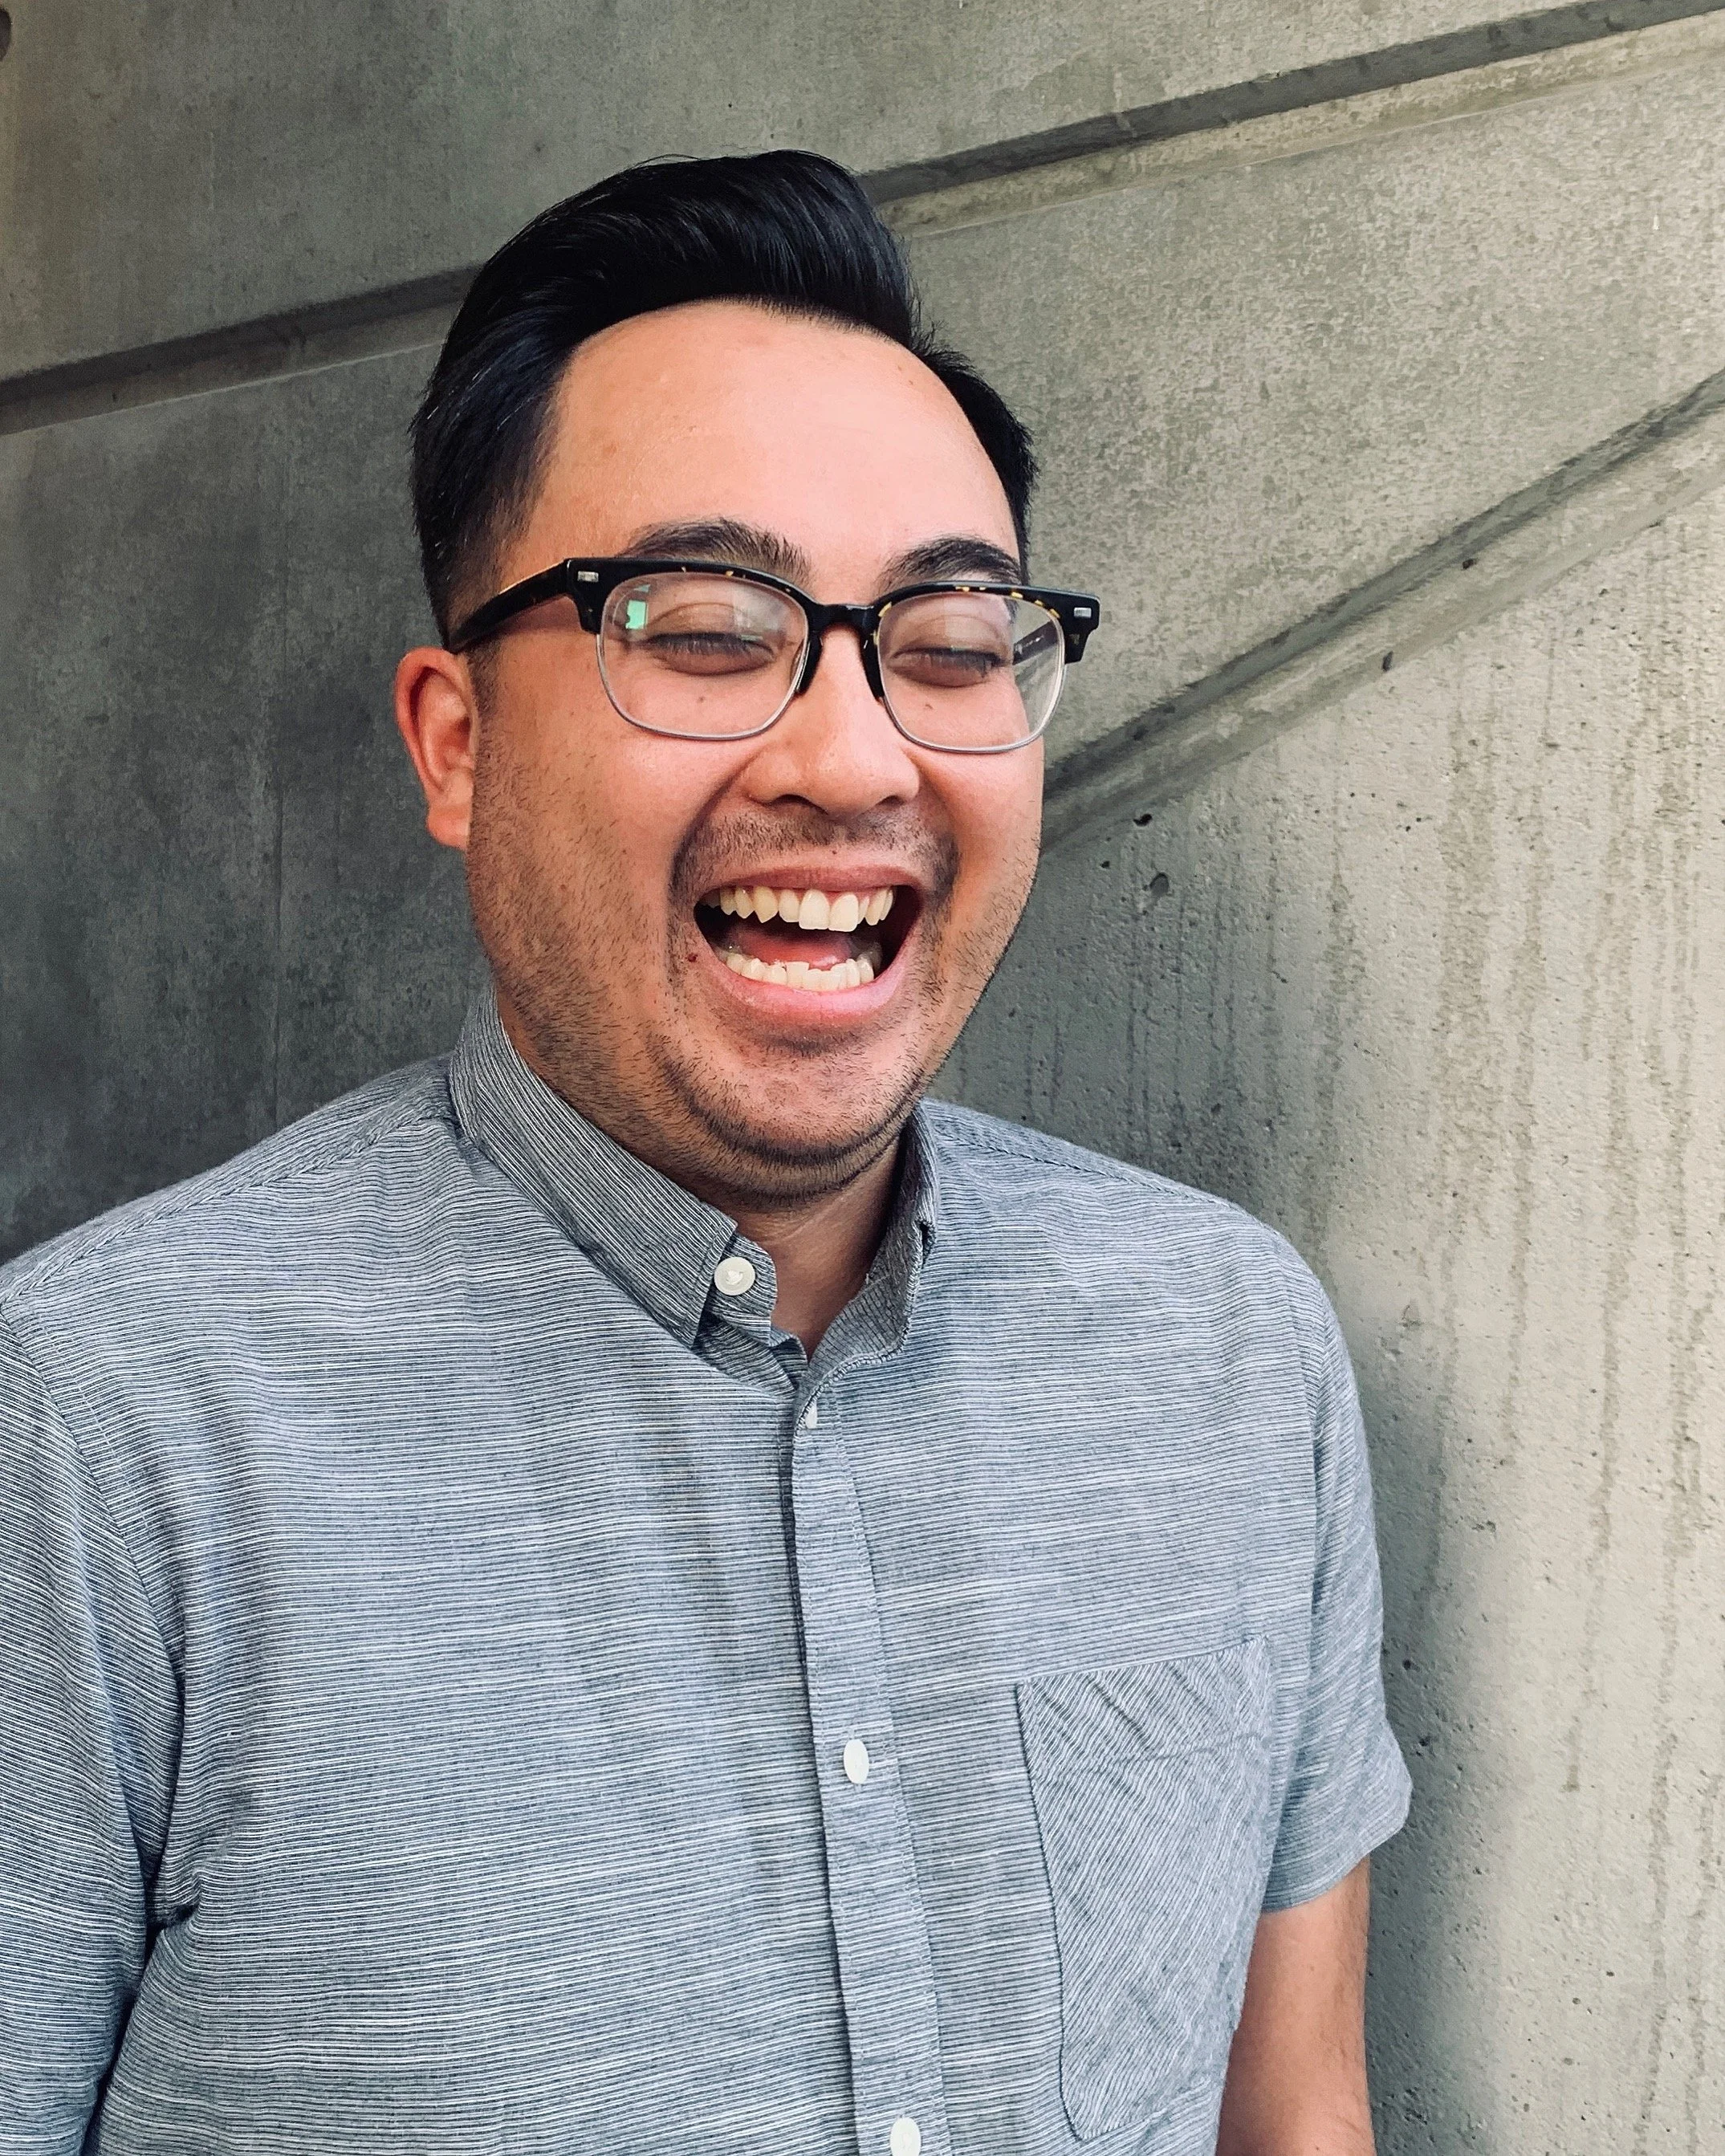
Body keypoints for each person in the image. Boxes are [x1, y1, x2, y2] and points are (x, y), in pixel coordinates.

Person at [0, 152, 1409, 2155]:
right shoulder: (98, 1428)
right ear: (455, 741)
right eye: (703, 623)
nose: (853, 755)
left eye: (947, 637)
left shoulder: (1231, 1350)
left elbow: (1297, 2101)